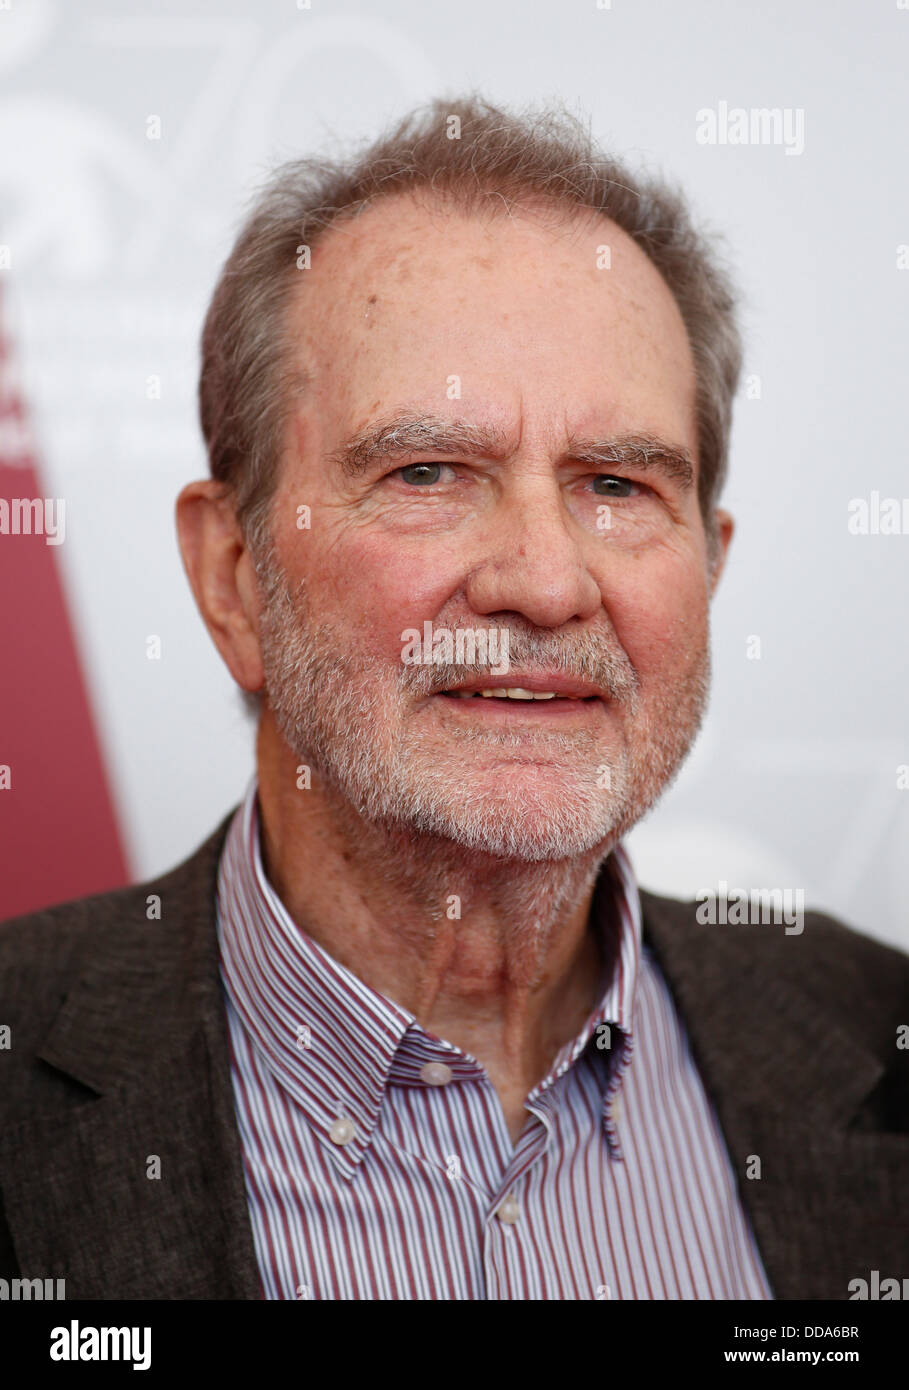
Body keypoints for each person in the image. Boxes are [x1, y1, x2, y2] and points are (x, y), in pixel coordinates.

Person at [1, 95, 906, 1301]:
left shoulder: (877, 1037)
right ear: (234, 580)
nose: (542, 580)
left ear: (710, 564)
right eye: (428, 472)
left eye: (621, 486)